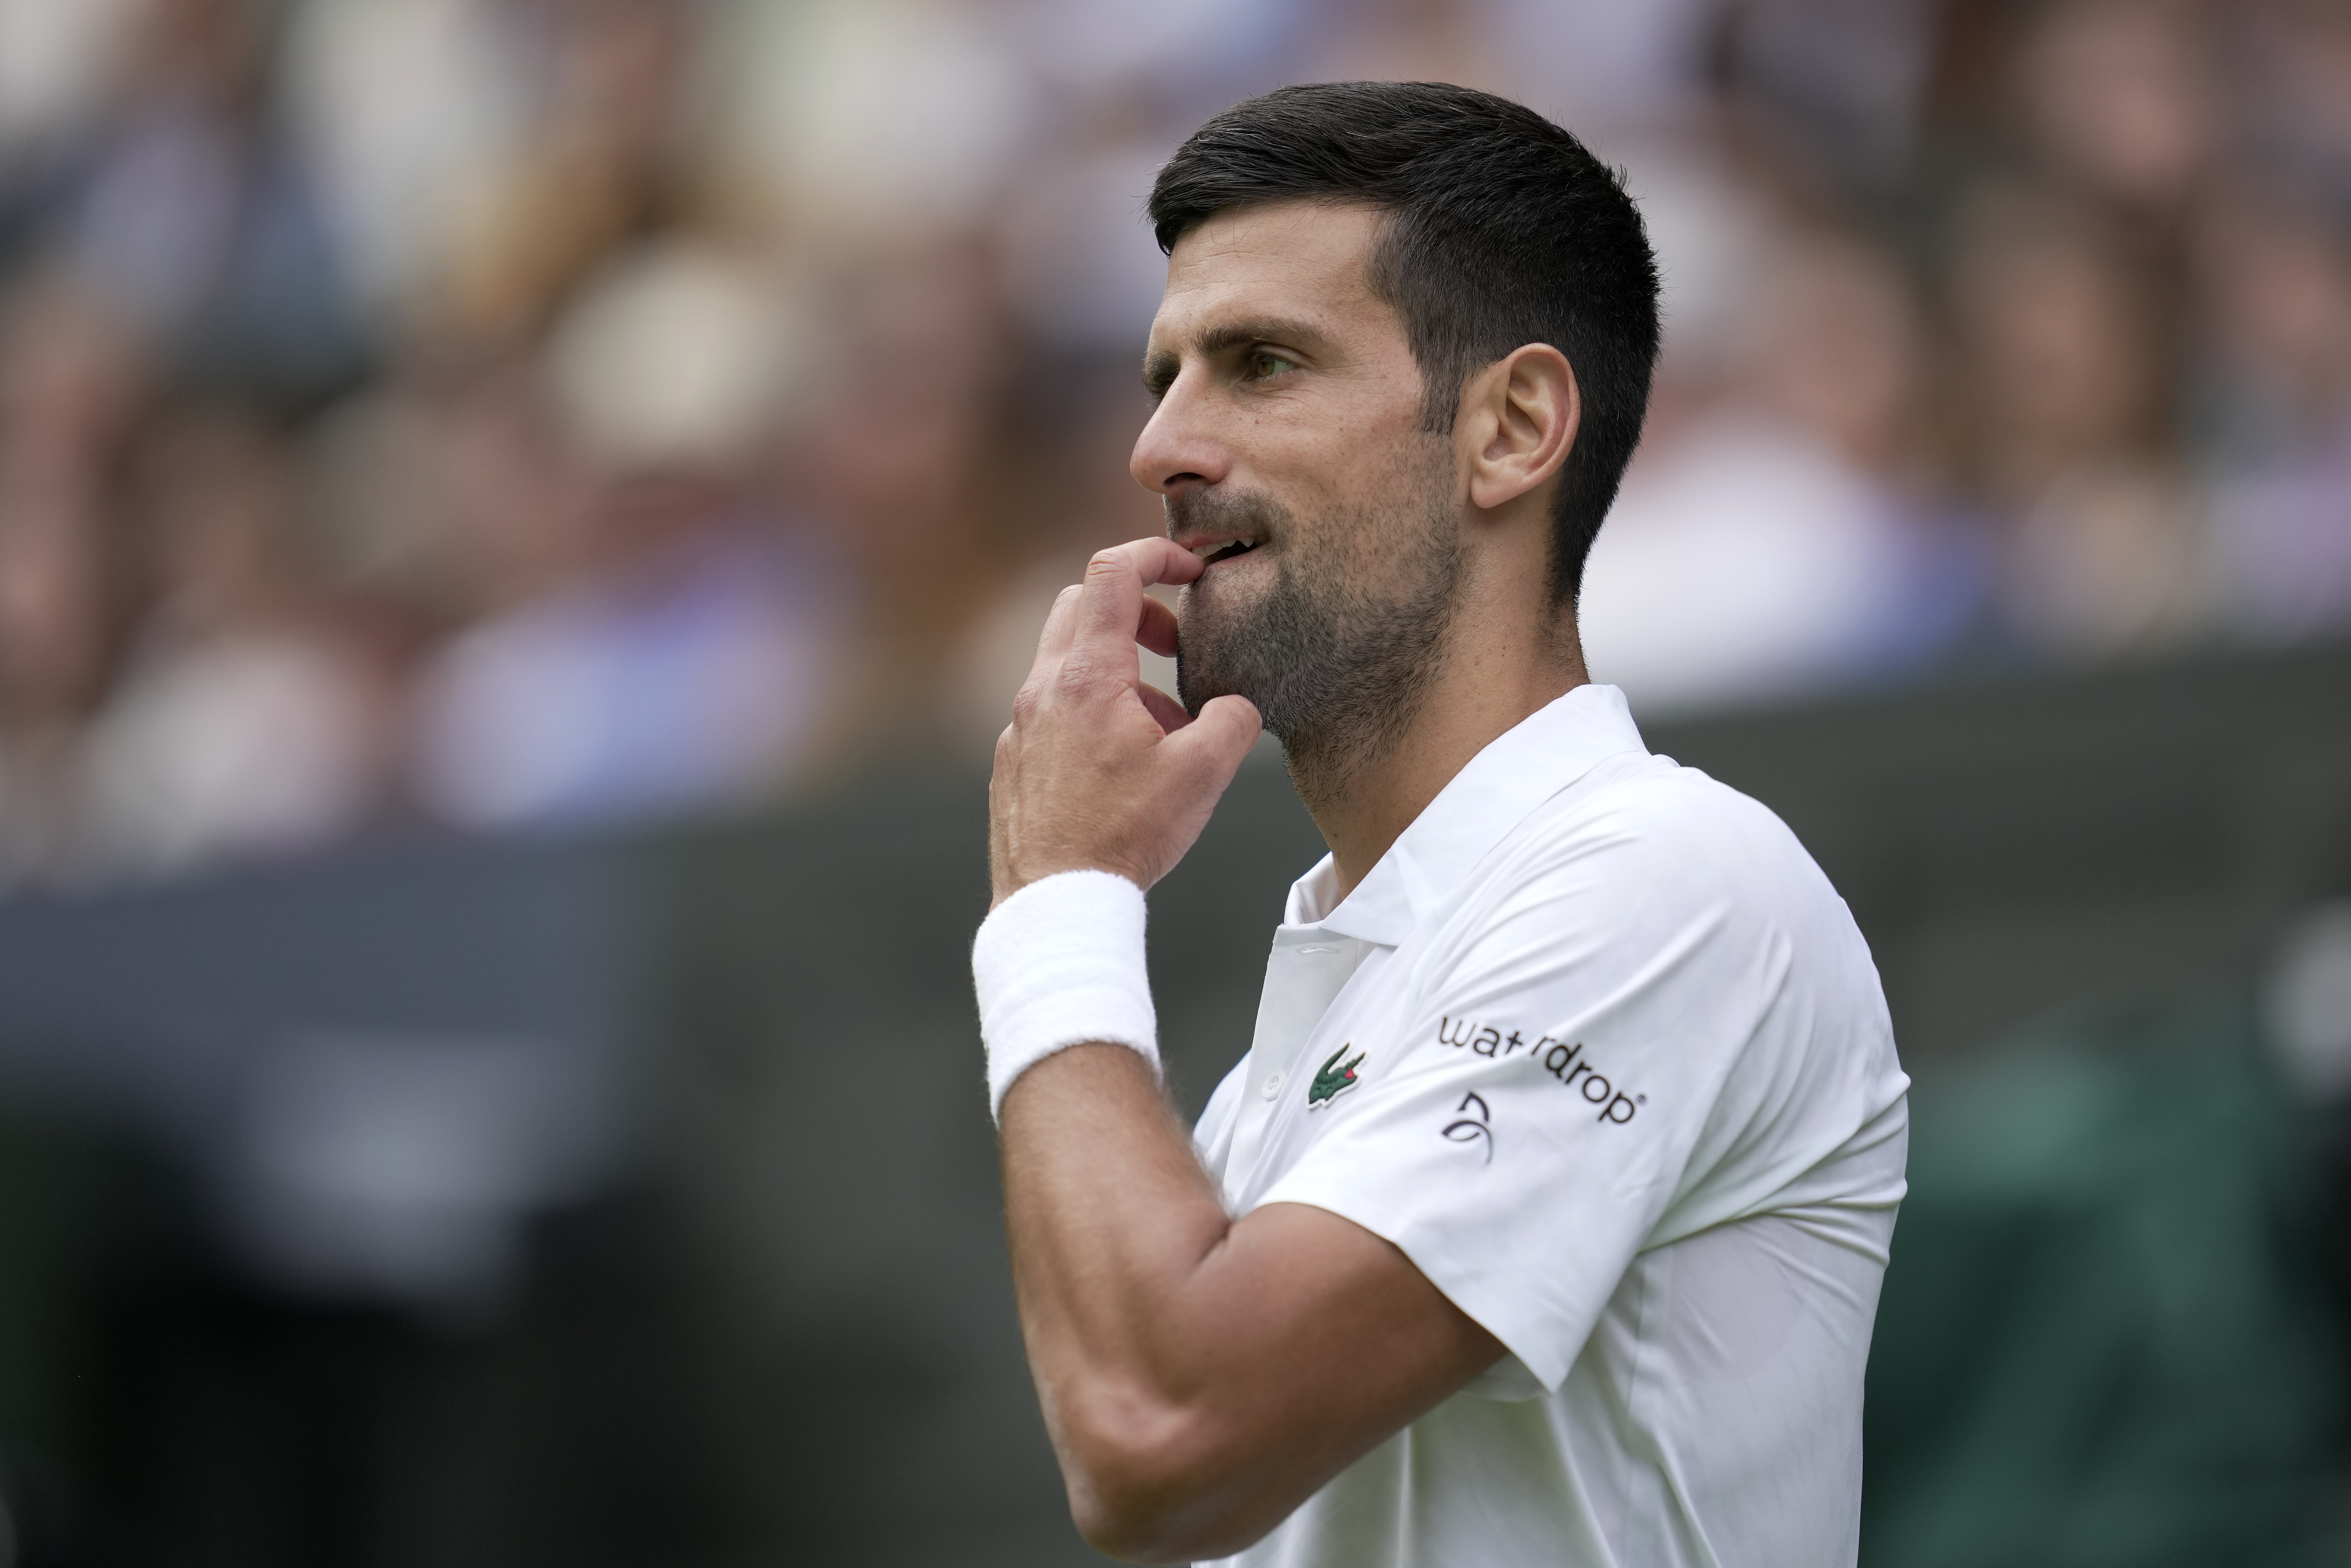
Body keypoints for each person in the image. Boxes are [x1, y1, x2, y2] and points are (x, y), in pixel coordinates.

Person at [973, 82, 1910, 1567]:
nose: (1160, 445)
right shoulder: (1276, 1072)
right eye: (1162, 376)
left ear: (1512, 429)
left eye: (1258, 363)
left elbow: (1159, 1434)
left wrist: (1059, 897)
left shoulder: (1673, 880)